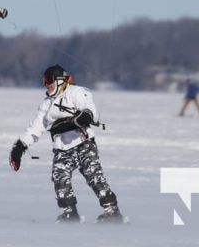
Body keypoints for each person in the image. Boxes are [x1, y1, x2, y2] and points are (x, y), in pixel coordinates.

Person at [9, 64, 123, 223]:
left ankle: (112, 212)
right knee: (60, 179)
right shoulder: (46, 104)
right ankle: (70, 213)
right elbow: (35, 129)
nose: (46, 84)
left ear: (60, 80)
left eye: (49, 80)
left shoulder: (76, 92)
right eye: (44, 81)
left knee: (94, 176)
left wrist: (84, 116)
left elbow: (90, 109)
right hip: (62, 149)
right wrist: (19, 147)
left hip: (84, 143)